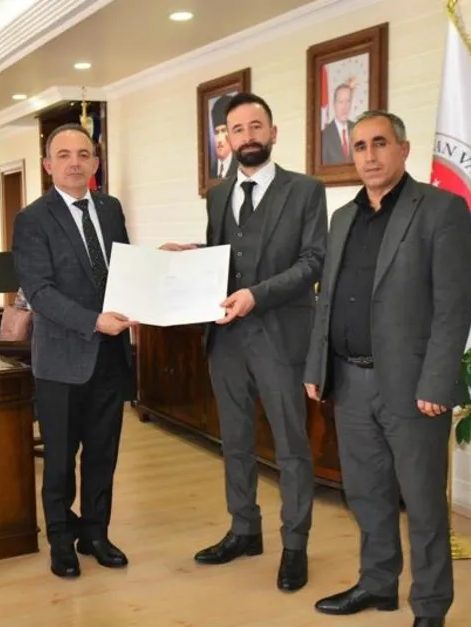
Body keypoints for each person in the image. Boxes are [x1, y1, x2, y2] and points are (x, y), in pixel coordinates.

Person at [303, 110, 471, 627]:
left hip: (414, 386)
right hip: (350, 381)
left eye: (380, 143)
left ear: (403, 148)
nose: (370, 155)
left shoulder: (441, 210)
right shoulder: (343, 218)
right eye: (360, 146)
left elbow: (453, 306)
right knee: (366, 493)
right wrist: (316, 365)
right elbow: (328, 299)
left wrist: (438, 382)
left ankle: (430, 607)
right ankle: (378, 584)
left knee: (422, 503)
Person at [161, 92, 328, 592]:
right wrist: (191, 254)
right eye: (238, 129)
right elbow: (225, 255)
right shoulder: (218, 195)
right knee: (233, 441)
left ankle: (294, 545)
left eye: (257, 127)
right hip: (226, 338)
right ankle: (244, 529)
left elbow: (314, 261)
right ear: (227, 139)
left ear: (273, 133)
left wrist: (257, 295)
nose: (248, 137)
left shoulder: (306, 190)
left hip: (281, 338)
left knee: (291, 447)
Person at [12, 123, 135, 580]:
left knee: (103, 454)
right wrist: (93, 321)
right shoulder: (32, 219)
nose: (74, 163)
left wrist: (157, 261)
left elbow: (122, 268)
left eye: (83, 154)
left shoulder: (110, 208)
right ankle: (61, 541)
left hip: (111, 356)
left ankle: (96, 535)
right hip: (61, 362)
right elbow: (39, 292)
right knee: (61, 460)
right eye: (63, 155)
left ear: (95, 163)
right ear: (48, 165)